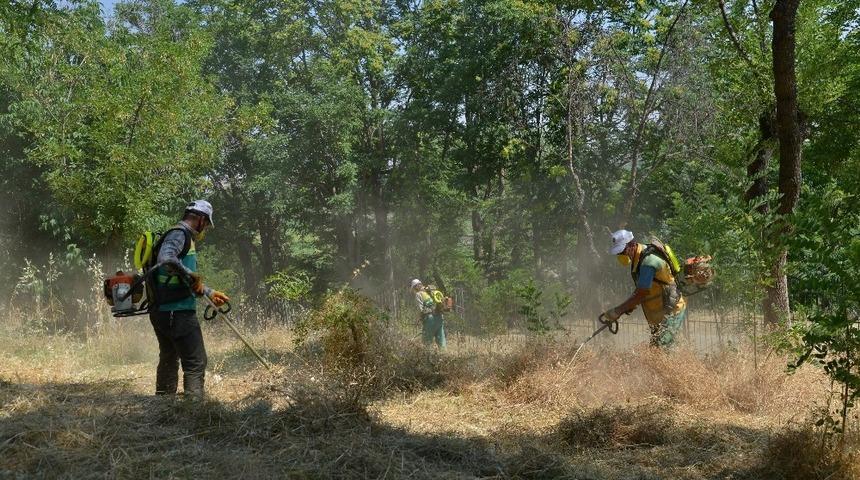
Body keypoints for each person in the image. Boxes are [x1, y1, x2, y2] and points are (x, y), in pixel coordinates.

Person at [149, 200, 229, 397]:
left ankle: (164, 404)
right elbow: (166, 259)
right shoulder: (180, 234)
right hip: (177, 312)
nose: (206, 229)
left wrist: (209, 292)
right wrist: (190, 276)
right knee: (195, 360)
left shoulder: (179, 236)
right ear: (200, 220)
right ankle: (193, 409)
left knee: (169, 357)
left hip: (163, 310)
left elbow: (185, 279)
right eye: (207, 224)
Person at [603, 229, 687, 348]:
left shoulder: (648, 262)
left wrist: (617, 311)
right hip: (658, 312)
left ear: (632, 245)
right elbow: (641, 291)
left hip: (671, 310)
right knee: (655, 349)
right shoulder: (638, 258)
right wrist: (627, 307)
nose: (621, 255)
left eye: (622, 251)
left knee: (663, 350)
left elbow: (641, 293)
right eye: (619, 253)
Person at [411, 278, 446, 350]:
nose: (414, 290)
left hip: (430, 319)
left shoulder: (418, 294)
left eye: (414, 288)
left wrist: (418, 320)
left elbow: (420, 310)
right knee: (441, 341)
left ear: (416, 287)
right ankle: (445, 357)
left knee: (427, 343)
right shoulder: (432, 291)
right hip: (440, 317)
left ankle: (428, 359)